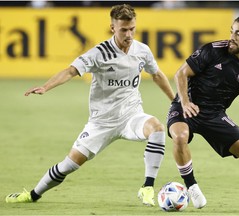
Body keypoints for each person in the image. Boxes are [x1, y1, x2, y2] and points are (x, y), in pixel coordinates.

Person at [5, 4, 175, 207]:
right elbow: (70, 71)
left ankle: (147, 186)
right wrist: (46, 87)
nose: (128, 34)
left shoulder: (142, 51)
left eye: (132, 29)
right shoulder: (99, 53)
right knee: (68, 165)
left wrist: (175, 101)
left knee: (156, 128)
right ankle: (32, 195)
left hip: (131, 116)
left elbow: (156, 75)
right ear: (113, 27)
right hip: (101, 123)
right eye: (123, 30)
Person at [167, 15, 239, 212]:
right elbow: (181, 74)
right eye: (231, 31)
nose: (232, 36)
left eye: (238, 33)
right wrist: (185, 102)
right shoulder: (212, 50)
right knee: (180, 136)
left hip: (215, 114)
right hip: (187, 106)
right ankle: (192, 186)